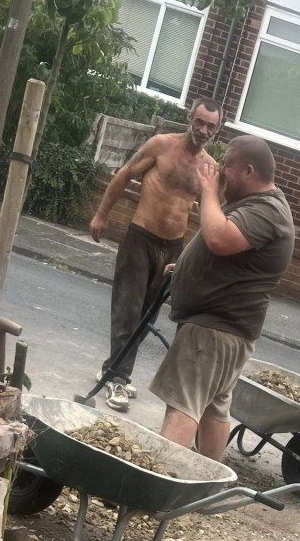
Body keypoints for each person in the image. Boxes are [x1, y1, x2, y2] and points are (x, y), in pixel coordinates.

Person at [152, 135, 294, 460]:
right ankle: (208, 480)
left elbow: (218, 238)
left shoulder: (267, 210)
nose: (220, 171)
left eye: (227, 165)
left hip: (214, 329)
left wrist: (207, 191)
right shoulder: (258, 204)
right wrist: (186, 267)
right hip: (226, 329)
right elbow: (227, 247)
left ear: (248, 170)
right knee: (213, 409)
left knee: (183, 404)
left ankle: (155, 480)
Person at [86, 96, 225, 410]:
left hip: (173, 248)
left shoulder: (209, 168)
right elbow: (125, 174)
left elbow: (211, 212)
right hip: (140, 238)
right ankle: (118, 379)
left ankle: (113, 369)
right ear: (190, 117)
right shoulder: (161, 145)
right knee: (127, 310)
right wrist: (101, 214)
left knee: (147, 316)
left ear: (218, 130)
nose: (204, 130)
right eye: (200, 122)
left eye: (211, 126)